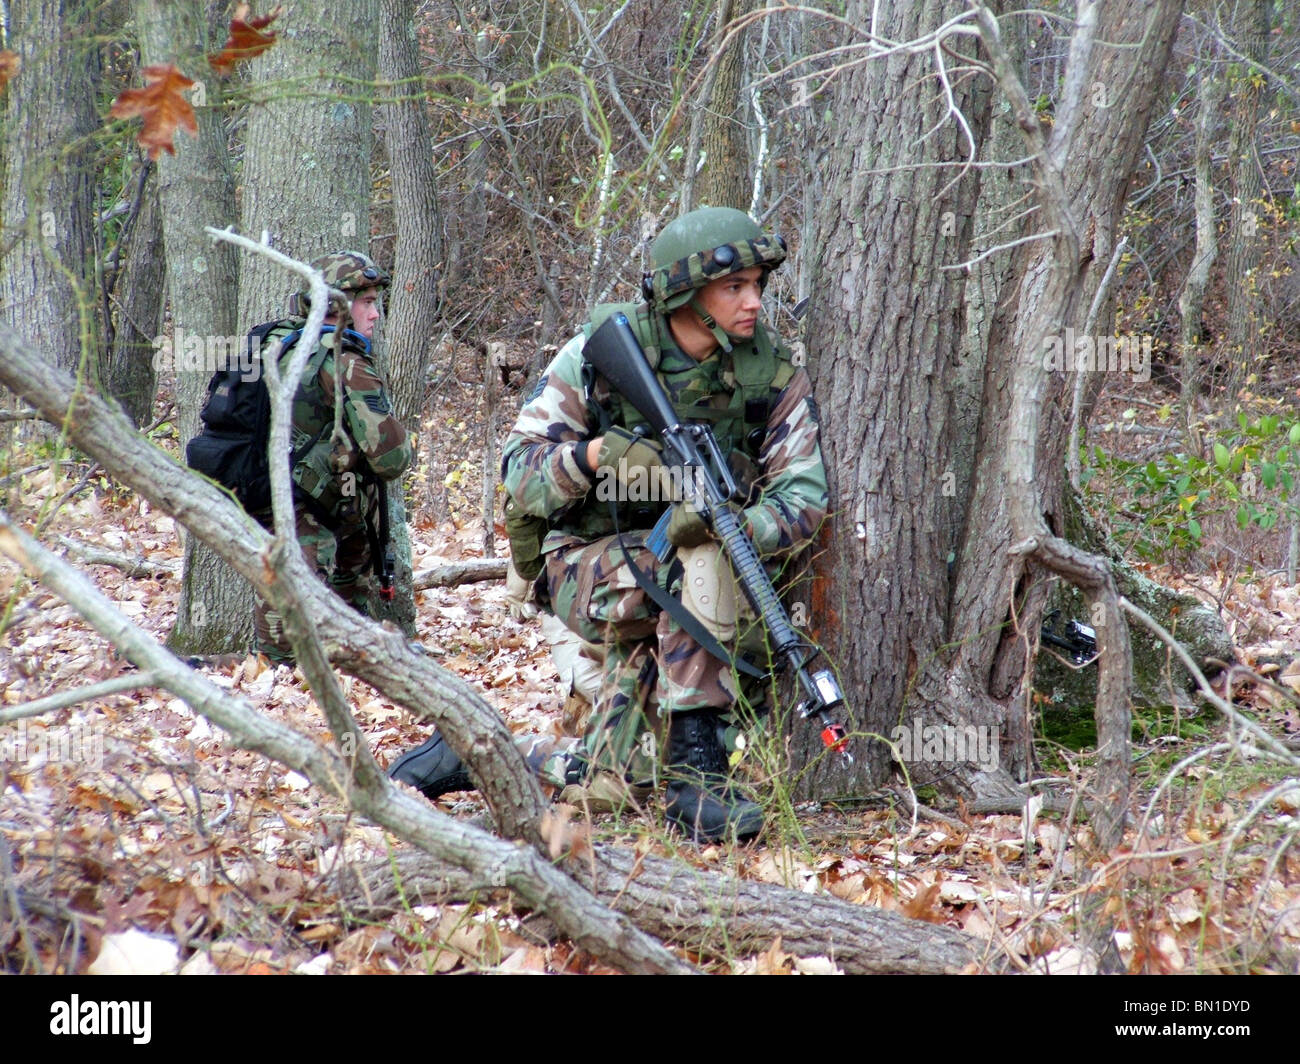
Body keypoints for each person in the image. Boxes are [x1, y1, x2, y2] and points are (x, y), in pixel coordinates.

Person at [389, 208, 829, 843]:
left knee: (615, 783)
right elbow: (519, 472)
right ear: (685, 293)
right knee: (696, 564)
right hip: (581, 562)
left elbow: (803, 495)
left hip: (693, 584)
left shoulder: (767, 370)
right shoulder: (600, 355)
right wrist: (594, 456)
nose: (754, 302)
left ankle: (475, 751)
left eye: (758, 285)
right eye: (735, 287)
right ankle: (699, 778)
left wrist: (738, 525)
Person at [252, 251, 414, 663]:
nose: (375, 314)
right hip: (311, 511)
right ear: (338, 305)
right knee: (289, 656)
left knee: (285, 645)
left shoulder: (276, 342)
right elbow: (392, 459)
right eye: (367, 303)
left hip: (259, 494)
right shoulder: (344, 361)